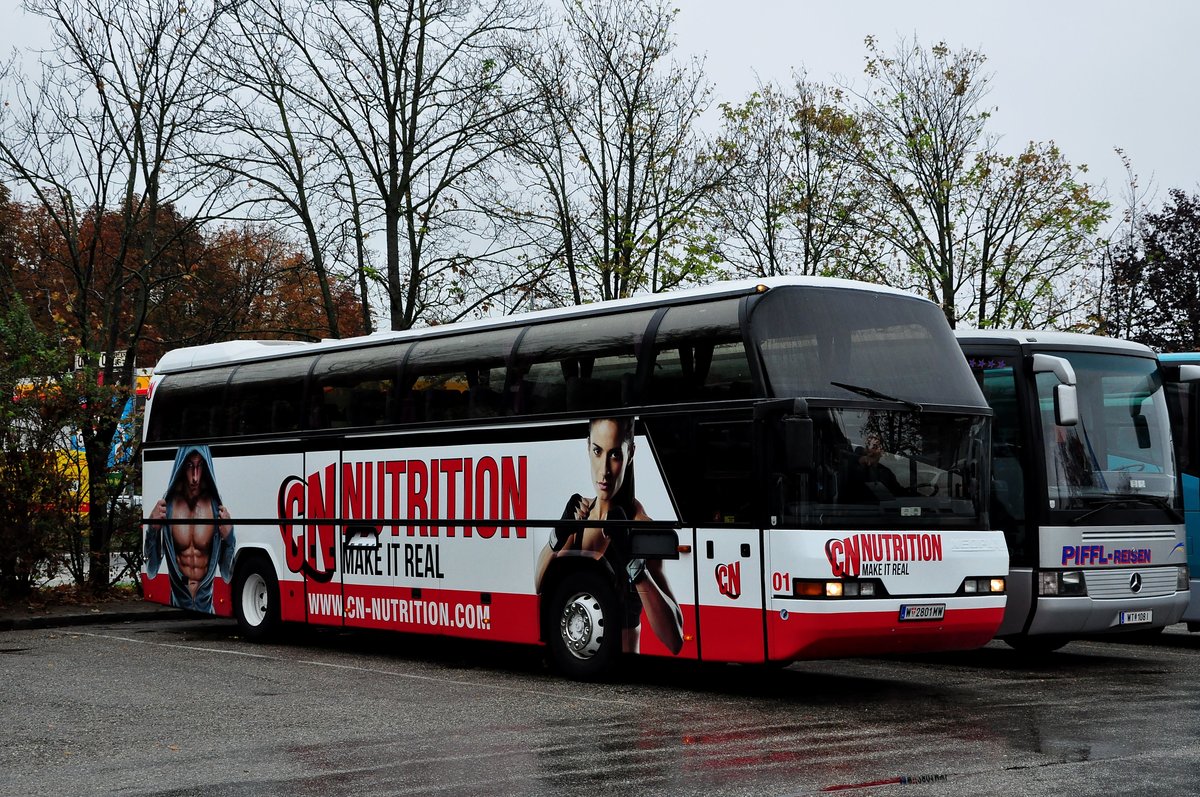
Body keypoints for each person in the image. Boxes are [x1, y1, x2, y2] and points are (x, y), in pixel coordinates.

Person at [536, 417, 684, 655]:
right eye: (597, 451)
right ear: (587, 447)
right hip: (586, 664)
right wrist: (559, 531)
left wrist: (633, 564)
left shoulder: (641, 526)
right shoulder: (579, 519)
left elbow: (674, 639)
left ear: (631, 453)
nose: (604, 471)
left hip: (627, 675)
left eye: (615, 455)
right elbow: (539, 586)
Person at [144, 445, 235, 612]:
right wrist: (152, 529)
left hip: (207, 605)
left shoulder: (215, 508)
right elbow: (151, 568)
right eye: (190, 466)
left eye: (200, 466)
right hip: (177, 601)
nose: (195, 477)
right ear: (181, 466)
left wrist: (229, 538)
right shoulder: (168, 507)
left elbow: (227, 572)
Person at [844, 433, 906, 503]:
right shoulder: (854, 468)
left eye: (877, 446)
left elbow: (898, 492)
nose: (871, 449)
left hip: (882, 510)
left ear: (882, 452)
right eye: (872, 446)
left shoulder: (886, 472)